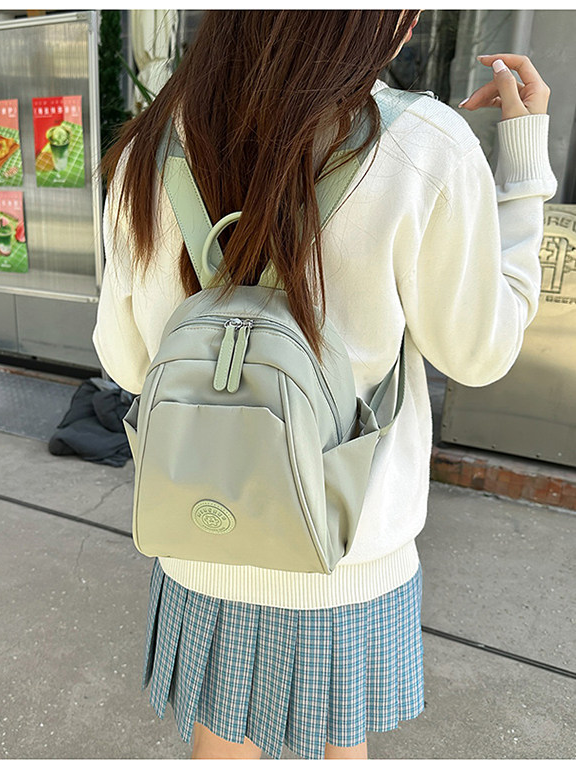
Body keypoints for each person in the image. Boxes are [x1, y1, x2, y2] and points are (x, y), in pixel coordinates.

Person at [93, 10, 556, 760]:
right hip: (344, 551)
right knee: (333, 750)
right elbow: (480, 354)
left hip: (200, 530)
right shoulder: (423, 143)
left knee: (221, 747)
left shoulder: (148, 149)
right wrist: (525, 169)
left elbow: (123, 362)